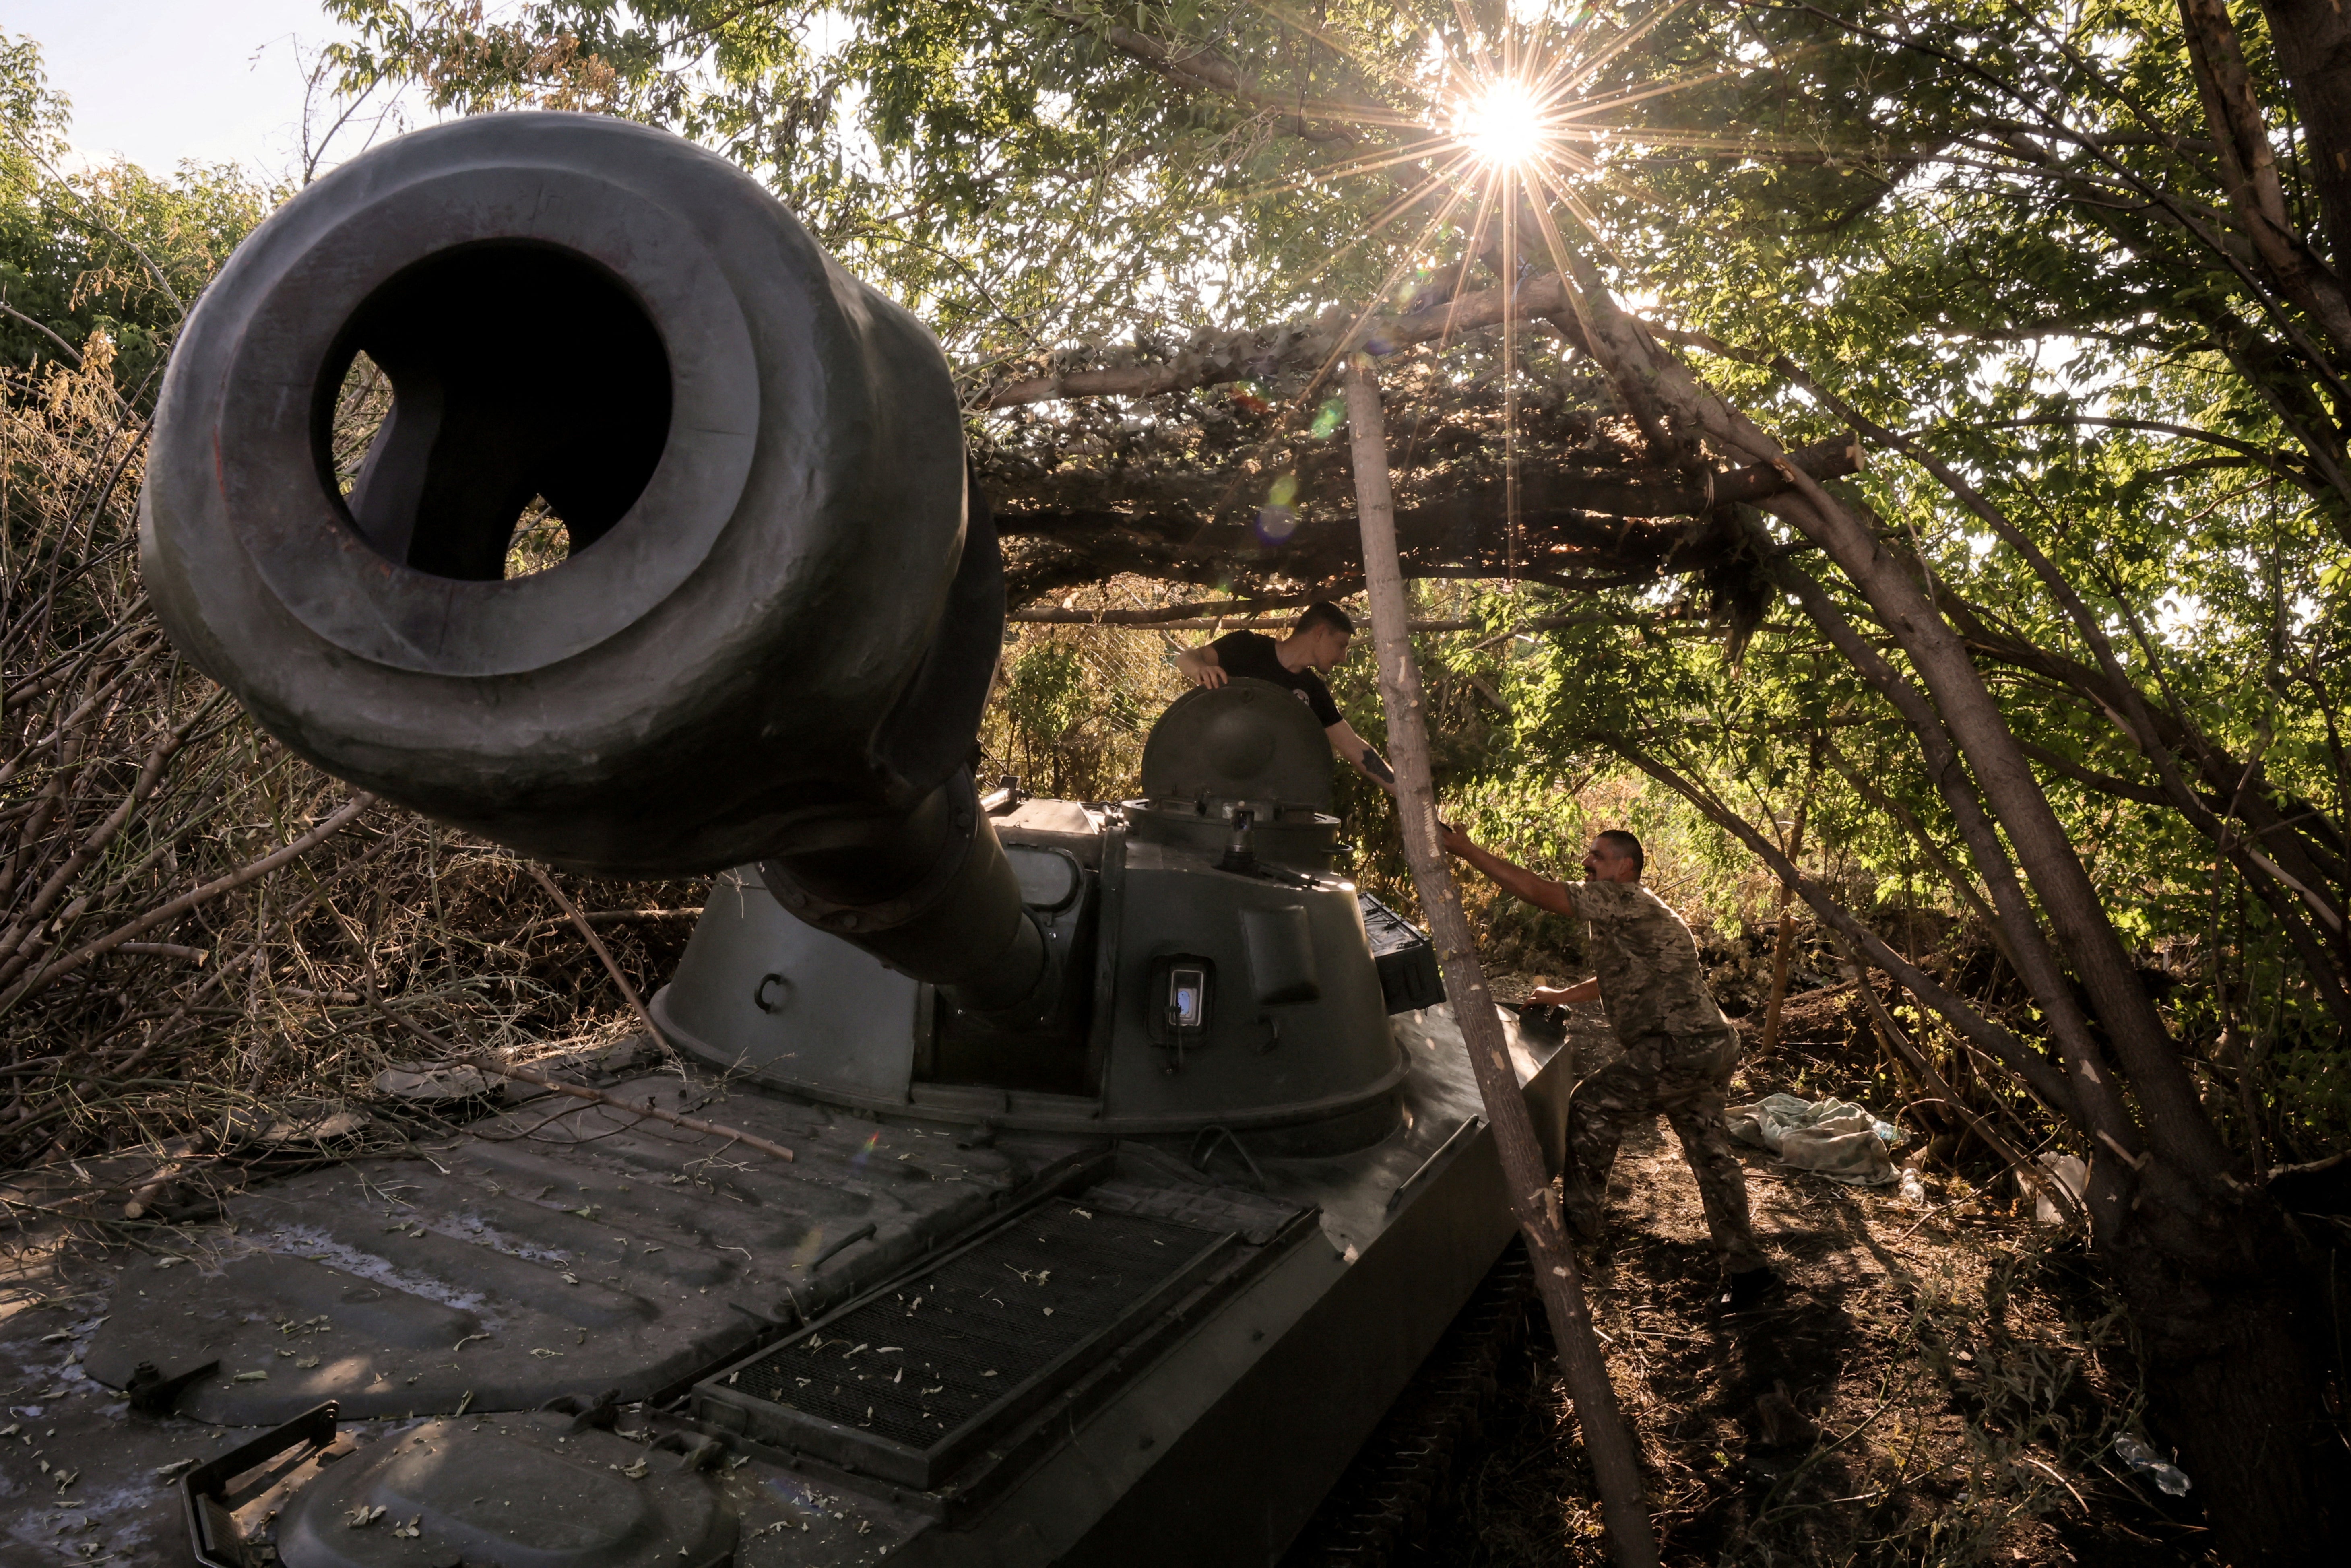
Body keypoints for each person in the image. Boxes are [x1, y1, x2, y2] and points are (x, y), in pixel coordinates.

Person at [1440, 823, 1781, 1310]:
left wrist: (1466, 849)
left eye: (1597, 857)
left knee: (1593, 1106)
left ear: (1625, 867)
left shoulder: (1625, 899)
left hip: (1680, 1046)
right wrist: (1561, 994)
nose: (1587, 863)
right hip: (1709, 1046)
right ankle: (1750, 1272)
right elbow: (1618, 974)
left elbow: (1540, 892)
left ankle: (1575, 1244)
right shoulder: (1637, 916)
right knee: (1710, 1153)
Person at [1172, 601, 1398, 791]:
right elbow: (1187, 658)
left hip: (1263, 792)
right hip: (1207, 778)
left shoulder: (1315, 690)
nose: (1344, 658)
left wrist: (1404, 790)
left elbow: (1352, 746)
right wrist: (1200, 669)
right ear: (1319, 633)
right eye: (1341, 646)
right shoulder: (1247, 647)